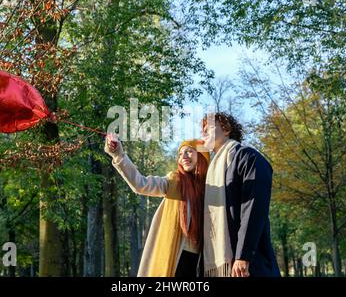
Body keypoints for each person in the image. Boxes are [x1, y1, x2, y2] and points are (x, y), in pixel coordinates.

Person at [104, 135, 210, 277]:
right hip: (176, 257)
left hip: (203, 260)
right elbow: (141, 184)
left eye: (189, 151)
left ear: (202, 155)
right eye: (180, 153)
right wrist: (119, 155)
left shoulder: (211, 188)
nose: (183, 156)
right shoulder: (174, 182)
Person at [201, 112, 280, 277]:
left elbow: (253, 209)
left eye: (208, 128)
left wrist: (243, 255)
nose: (203, 133)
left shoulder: (248, 157)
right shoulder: (213, 171)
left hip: (249, 264)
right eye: (202, 130)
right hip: (223, 266)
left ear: (226, 129)